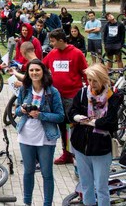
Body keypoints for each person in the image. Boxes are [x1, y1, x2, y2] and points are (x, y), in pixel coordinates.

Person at [15, 59, 64, 206]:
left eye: (37, 70)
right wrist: (22, 110)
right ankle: (27, 202)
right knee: (28, 171)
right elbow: (17, 111)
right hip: (26, 135)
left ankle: (47, 203)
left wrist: (41, 115)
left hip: (46, 137)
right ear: (28, 73)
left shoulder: (52, 92)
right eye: (31, 70)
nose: (34, 73)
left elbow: (60, 116)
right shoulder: (24, 89)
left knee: (47, 173)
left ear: (43, 72)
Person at [69, 65, 119, 206]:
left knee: (101, 187)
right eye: (89, 80)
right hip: (81, 146)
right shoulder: (82, 93)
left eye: (95, 81)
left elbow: (110, 123)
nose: (91, 84)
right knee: (86, 184)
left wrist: (91, 122)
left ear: (103, 80)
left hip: (101, 149)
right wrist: (77, 117)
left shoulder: (112, 97)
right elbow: (71, 112)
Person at [43, 28, 88, 165]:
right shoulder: (52, 54)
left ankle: (77, 153)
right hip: (57, 97)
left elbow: (85, 72)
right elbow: (42, 66)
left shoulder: (77, 53)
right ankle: (66, 153)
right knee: (62, 126)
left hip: (73, 96)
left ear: (61, 40)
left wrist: (88, 91)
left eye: (53, 41)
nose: (51, 44)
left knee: (73, 125)